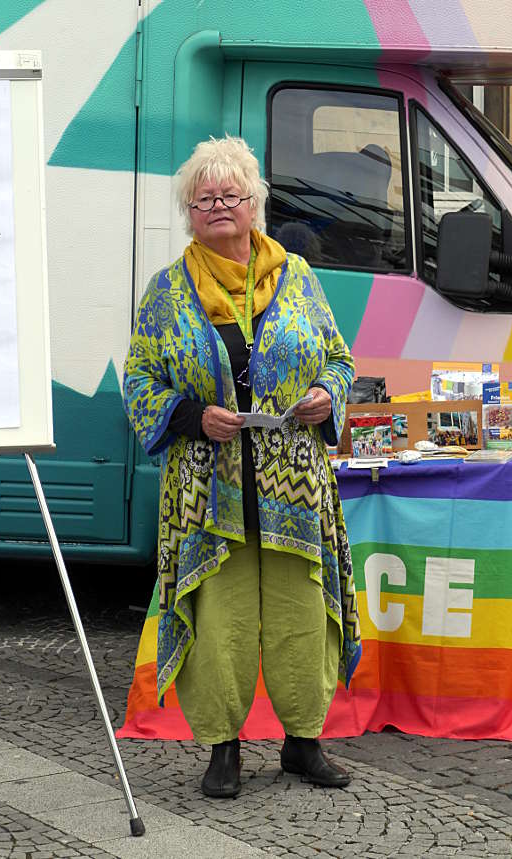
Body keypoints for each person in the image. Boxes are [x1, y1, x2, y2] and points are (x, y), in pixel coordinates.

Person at [122, 135, 361, 798]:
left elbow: (339, 361)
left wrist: (325, 396)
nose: (219, 206)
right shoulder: (167, 292)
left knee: (300, 615)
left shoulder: (299, 279)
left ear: (254, 204)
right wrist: (194, 415)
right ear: (190, 212)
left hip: (293, 484)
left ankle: (302, 743)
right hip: (208, 489)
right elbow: (137, 380)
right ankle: (222, 748)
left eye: (231, 195)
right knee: (220, 621)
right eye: (205, 199)